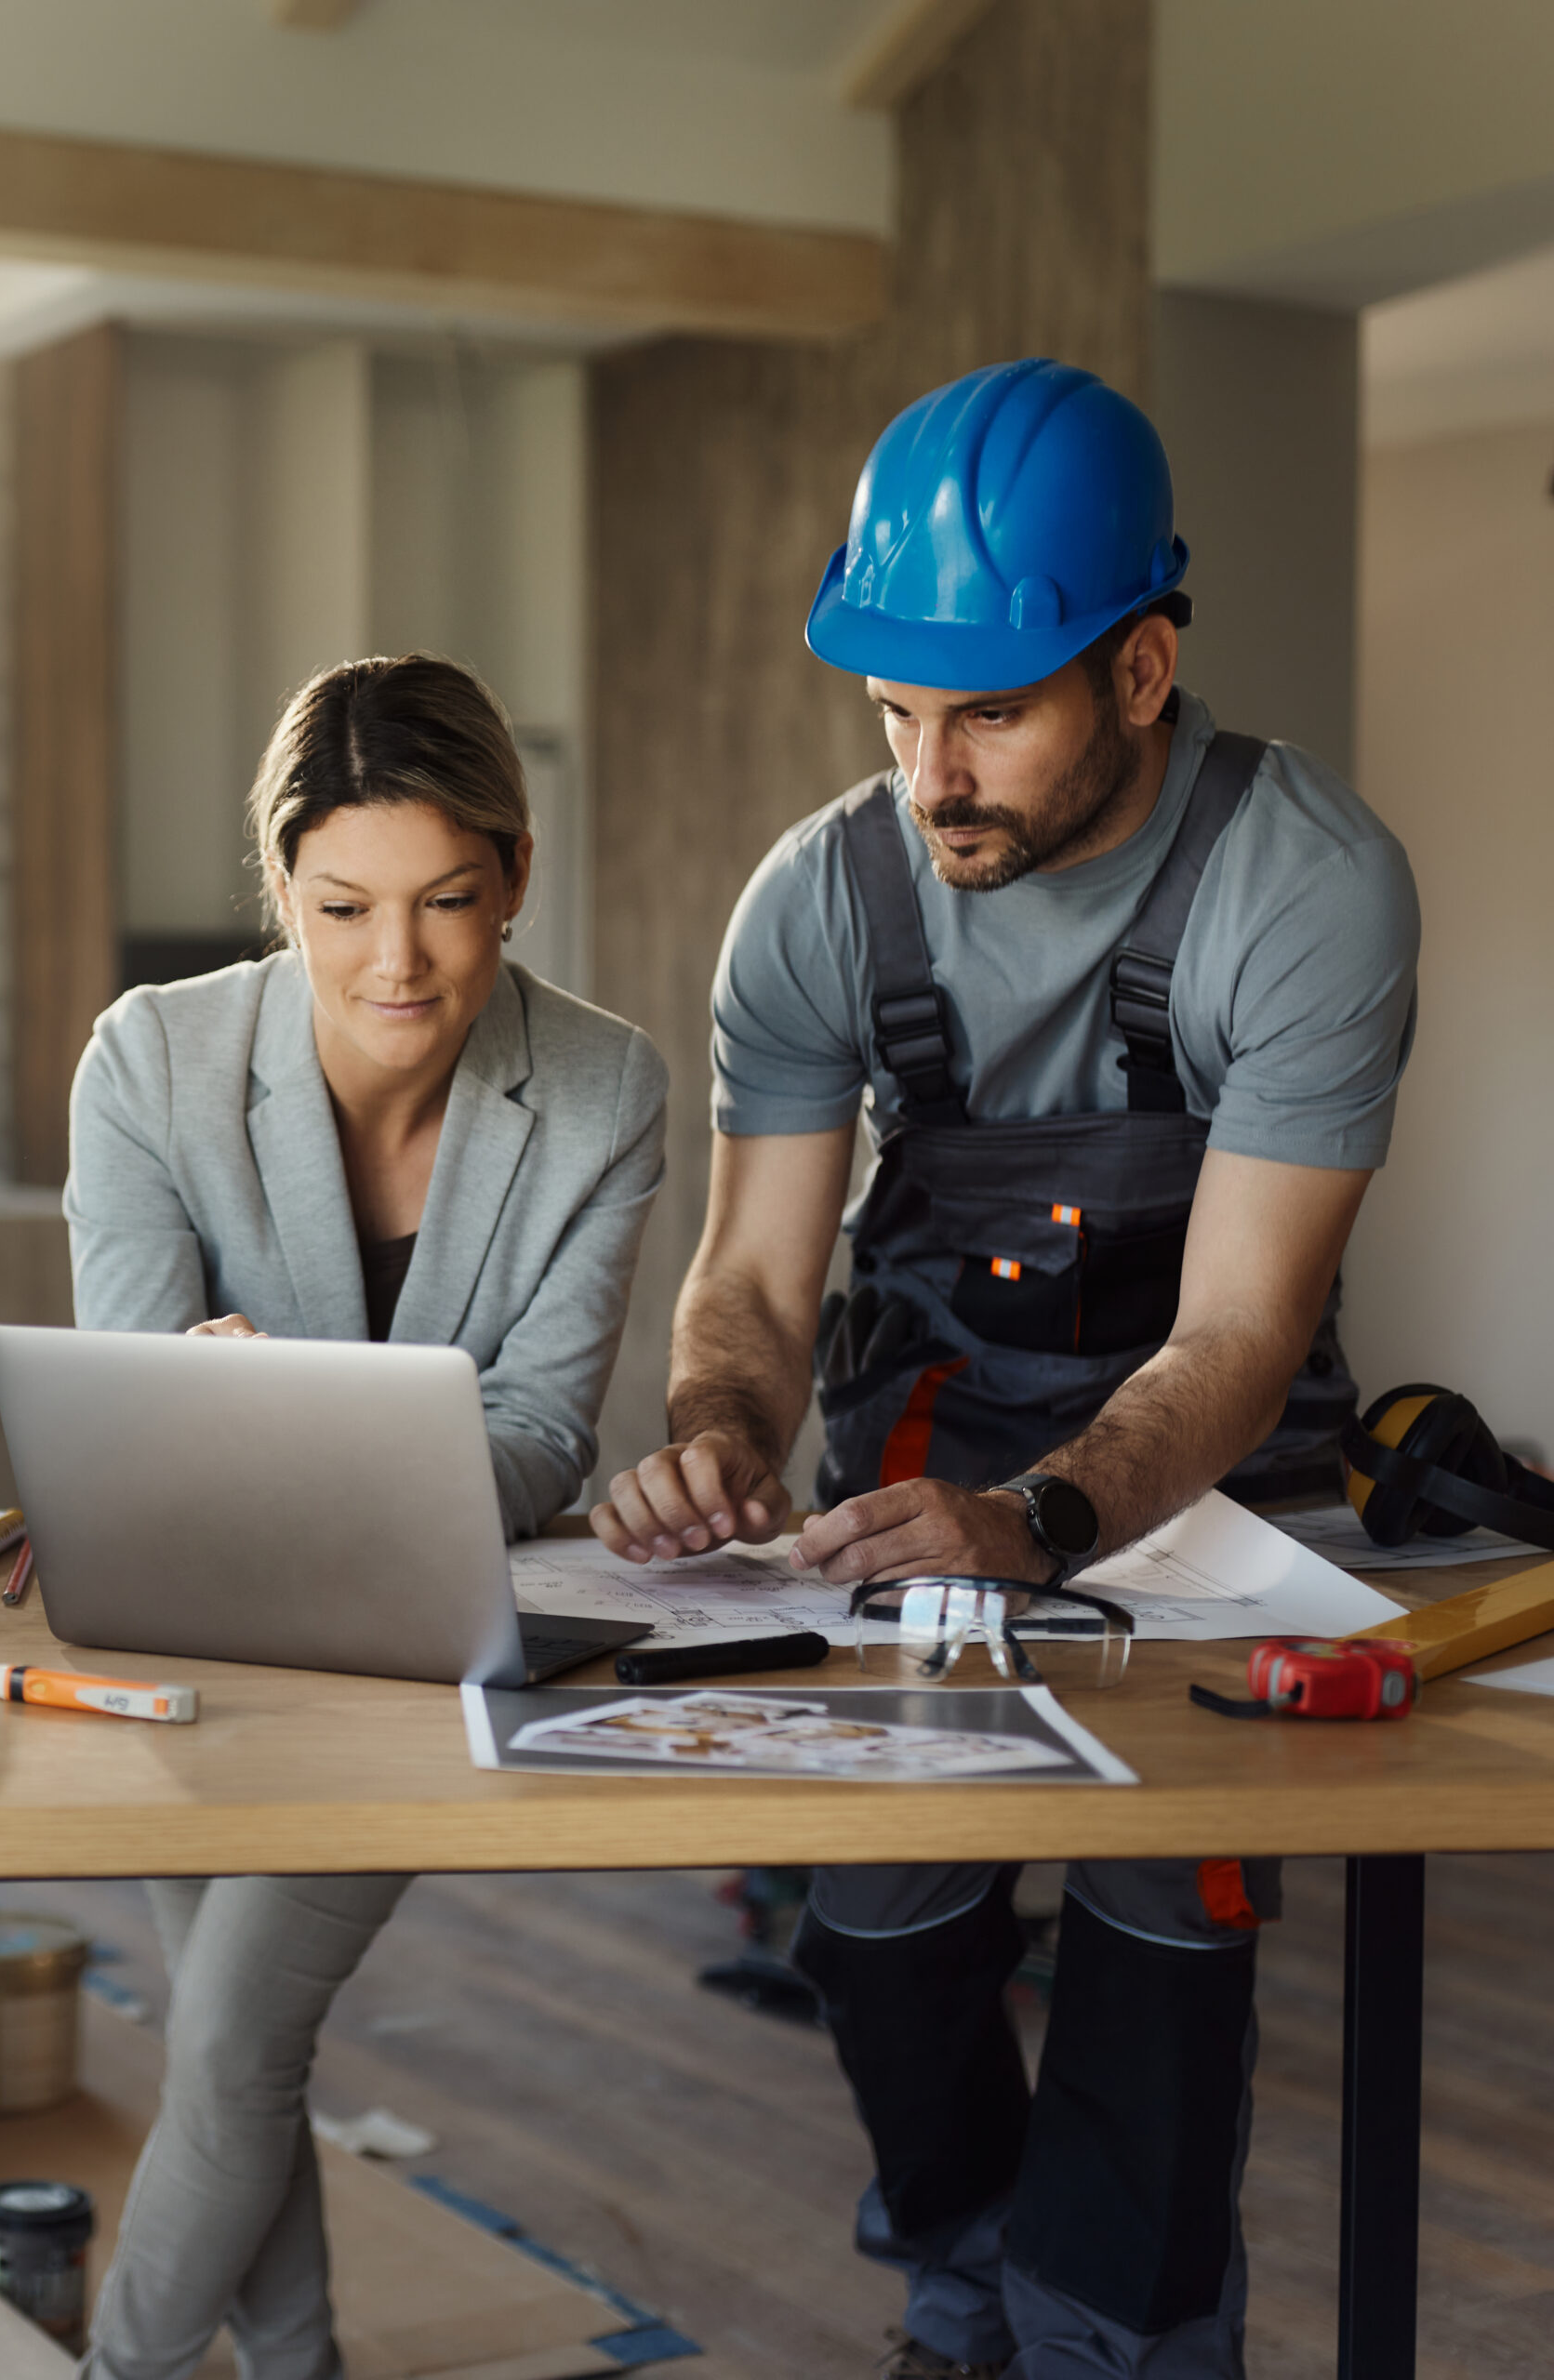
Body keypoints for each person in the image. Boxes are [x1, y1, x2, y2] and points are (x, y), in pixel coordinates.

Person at [592, 359, 1420, 2379]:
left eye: (985, 713)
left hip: (1212, 1508)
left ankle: (1114, 2347)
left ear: (1140, 669)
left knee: (1159, 1949)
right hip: (919, 1459)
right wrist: (712, 1436)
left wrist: (1042, 1522)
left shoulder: (1301, 884)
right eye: (892, 713)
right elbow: (755, 1292)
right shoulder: (818, 898)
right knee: (878, 1934)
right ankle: (968, 2299)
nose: (927, 774)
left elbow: (1237, 1327)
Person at [68, 652, 667, 2380]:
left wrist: (281, 1433)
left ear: (519, 875)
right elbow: (133, 1399)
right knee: (225, 2048)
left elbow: (544, 1428)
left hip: (416, 1634)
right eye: (340, 905)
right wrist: (205, 1406)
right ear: (282, 889)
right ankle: (303, 2361)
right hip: (197, 1630)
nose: (395, 961)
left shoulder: (607, 1091)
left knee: (239, 2042)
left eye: (447, 902)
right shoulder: (154, 1062)